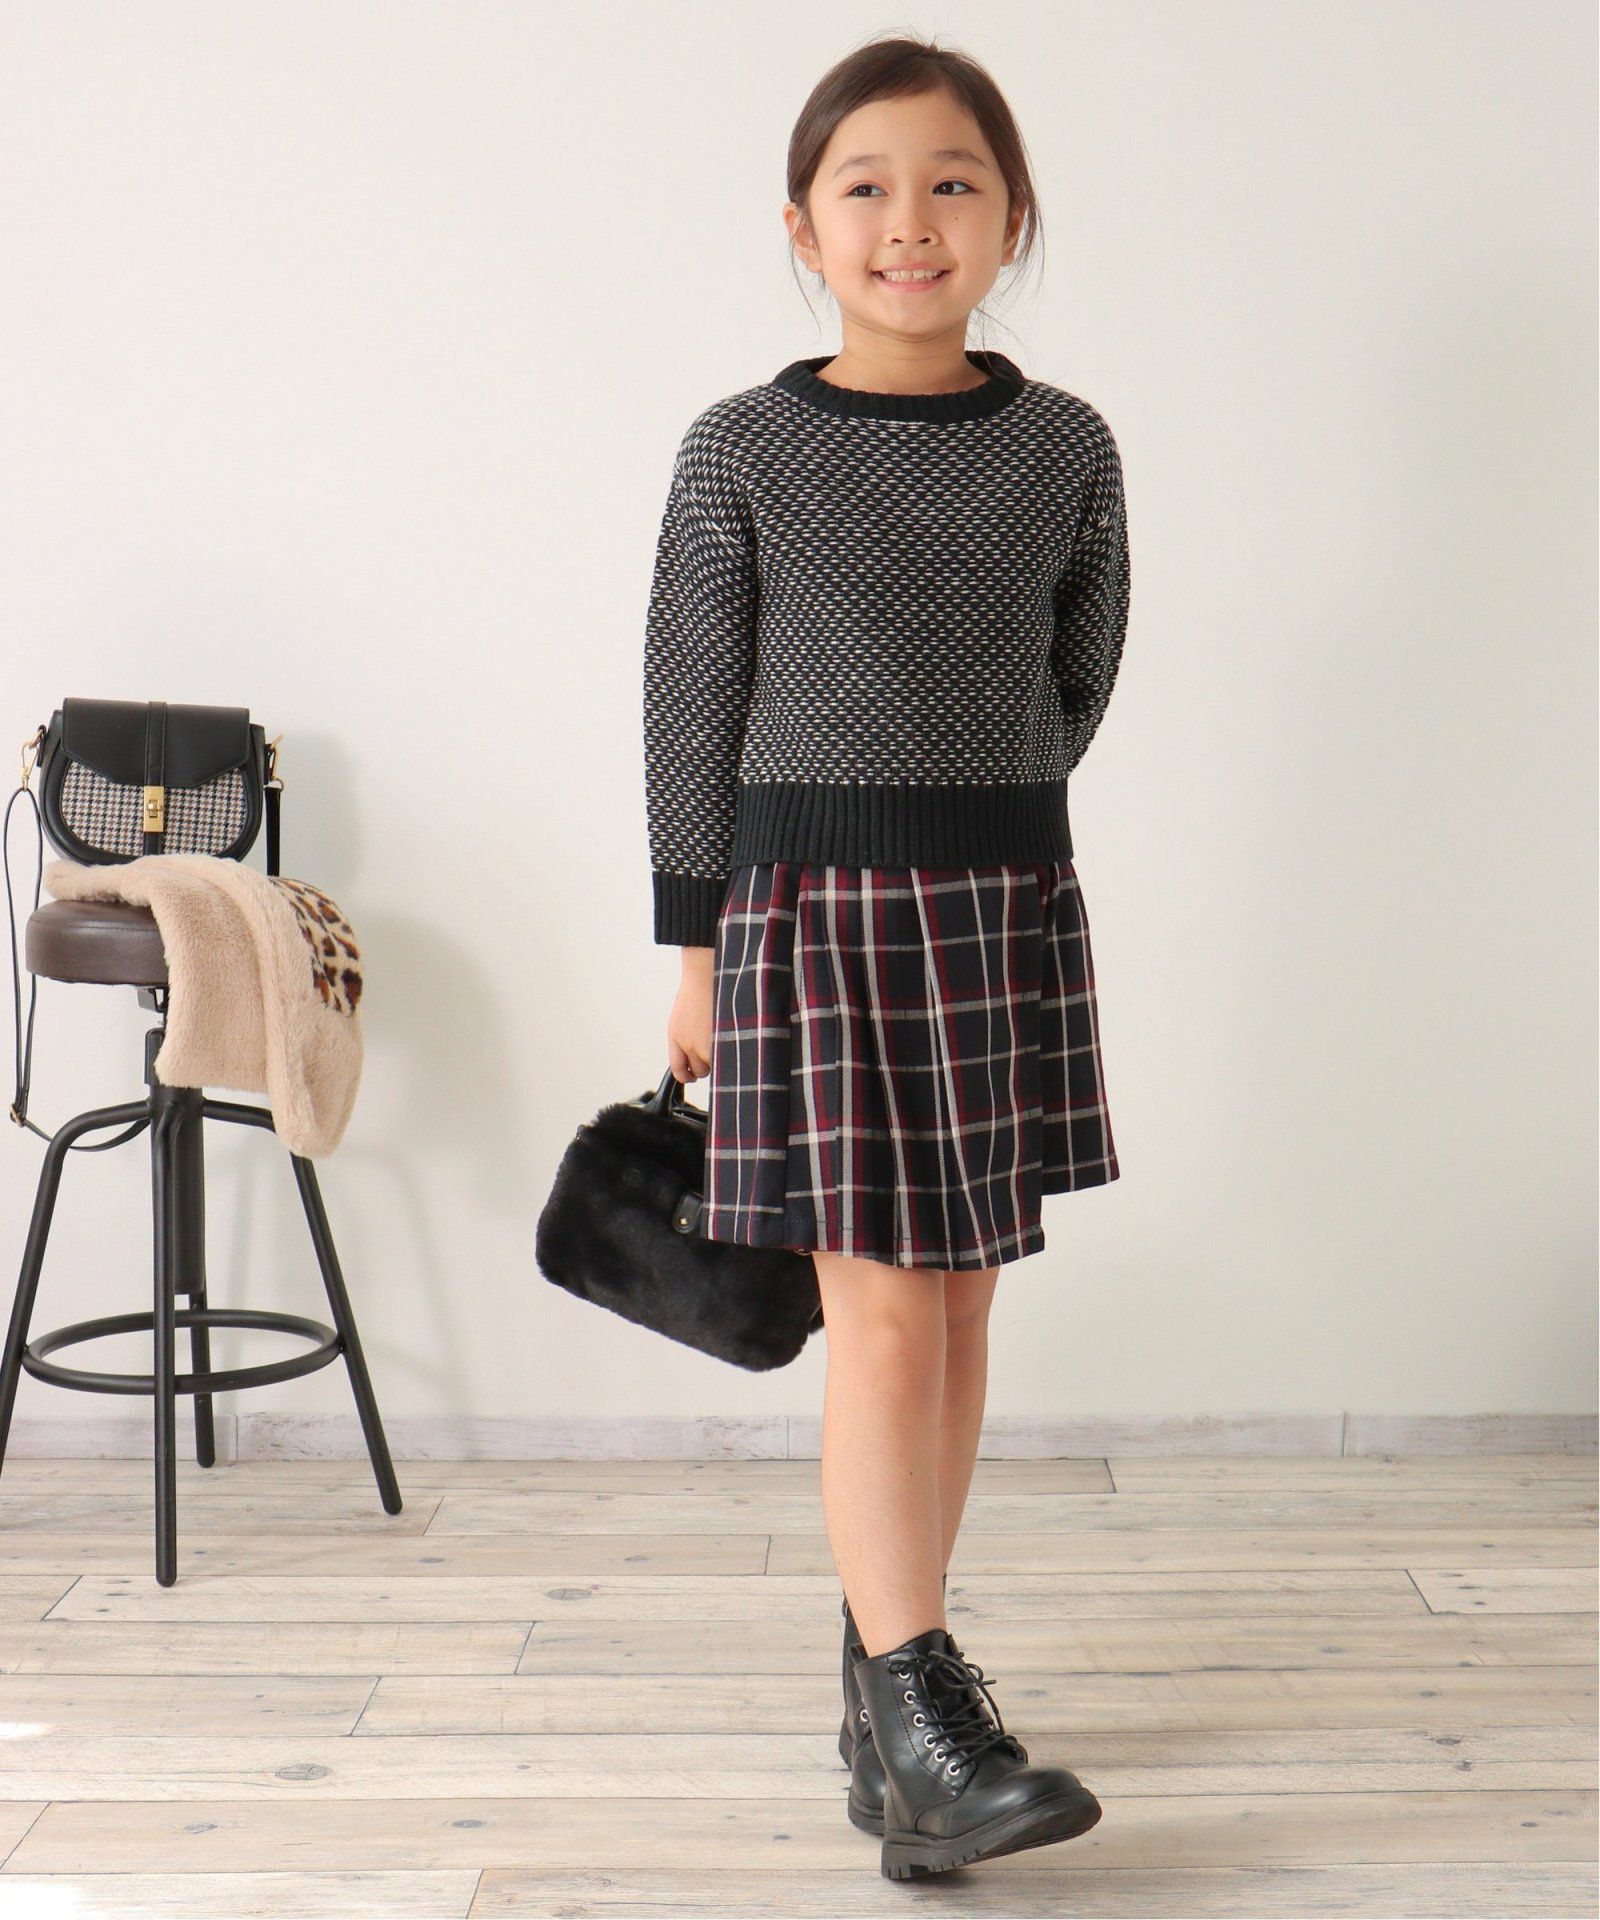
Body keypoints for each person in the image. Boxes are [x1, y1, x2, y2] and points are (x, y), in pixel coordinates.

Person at [640, 32, 1129, 1881]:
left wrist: (976, 800)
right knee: (889, 1313)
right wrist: (697, 945)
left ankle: (889, 1707)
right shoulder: (742, 449)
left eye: (952, 184)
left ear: (1012, 219)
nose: (909, 220)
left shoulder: (1065, 447)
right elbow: (689, 703)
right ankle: (927, 1704)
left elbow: (1078, 675)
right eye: (866, 187)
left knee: (966, 1303)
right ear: (802, 226)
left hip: (997, 901)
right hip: (809, 920)